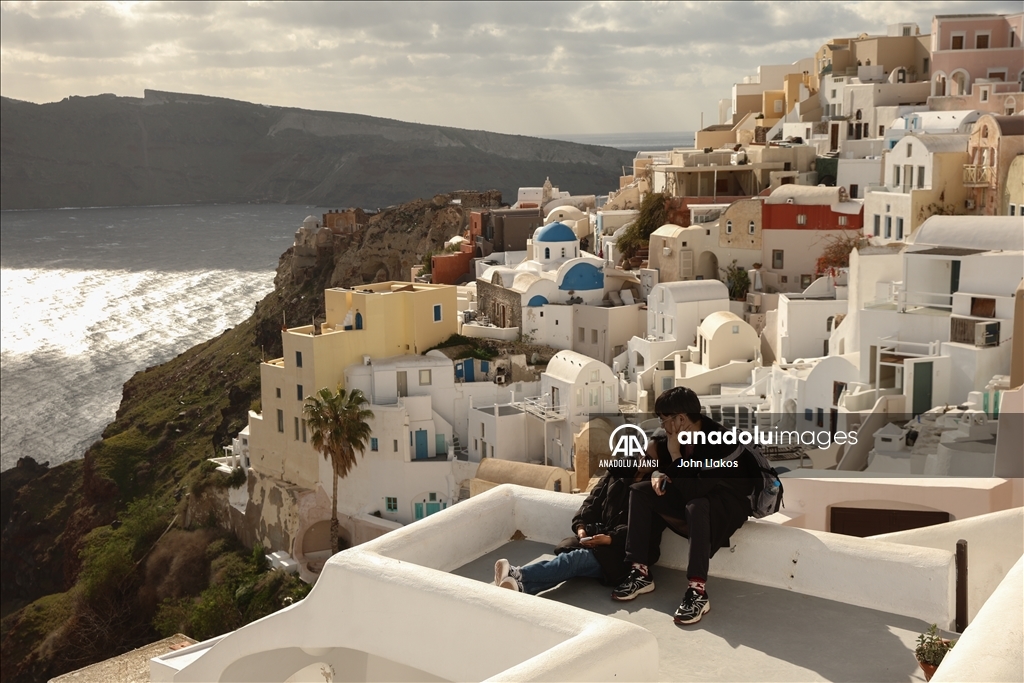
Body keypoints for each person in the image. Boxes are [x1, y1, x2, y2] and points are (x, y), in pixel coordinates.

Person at [611, 386, 757, 626]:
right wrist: (660, 472)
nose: (661, 424)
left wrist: (675, 454)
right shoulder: (674, 437)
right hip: (695, 498)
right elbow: (677, 477)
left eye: (663, 418)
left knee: (697, 505)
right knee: (640, 492)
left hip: (725, 507)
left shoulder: (720, 444)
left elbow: (695, 490)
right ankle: (640, 572)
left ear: (680, 419)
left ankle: (698, 591)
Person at [494, 459, 664, 595]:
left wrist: (610, 539)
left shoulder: (655, 491)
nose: (643, 458)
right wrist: (581, 528)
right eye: (642, 451)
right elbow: (592, 502)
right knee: (569, 557)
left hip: (623, 553)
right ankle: (520, 587)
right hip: (599, 539)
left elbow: (643, 530)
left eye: (650, 457)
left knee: (574, 560)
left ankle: (519, 573)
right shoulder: (618, 472)